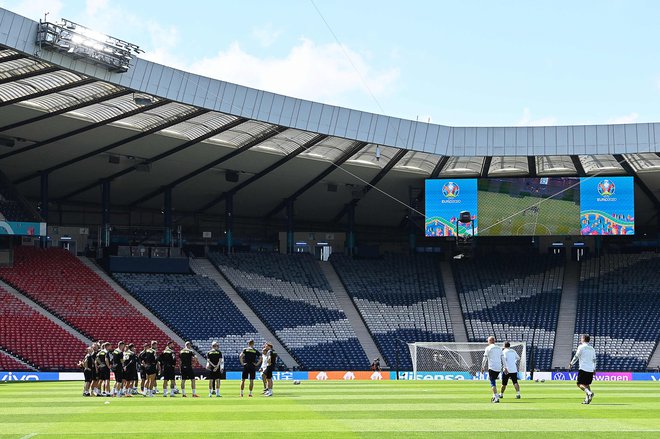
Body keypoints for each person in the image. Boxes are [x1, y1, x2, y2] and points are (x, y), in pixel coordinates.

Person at [568, 334, 597, 404]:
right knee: (587, 384)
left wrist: (571, 363)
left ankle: (589, 393)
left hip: (583, 368)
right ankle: (587, 400)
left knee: (579, 384)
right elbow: (594, 360)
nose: (580, 339)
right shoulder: (592, 348)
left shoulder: (581, 347)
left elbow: (576, 356)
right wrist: (594, 369)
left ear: (583, 339)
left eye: (581, 338)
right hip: (590, 369)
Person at [480, 336, 503, 403]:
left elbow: (484, 359)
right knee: (494, 381)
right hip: (499, 367)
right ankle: (494, 396)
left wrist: (482, 367)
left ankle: (496, 398)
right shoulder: (499, 348)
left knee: (492, 383)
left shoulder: (488, 348)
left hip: (492, 367)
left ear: (489, 341)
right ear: (494, 341)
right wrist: (506, 367)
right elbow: (503, 358)